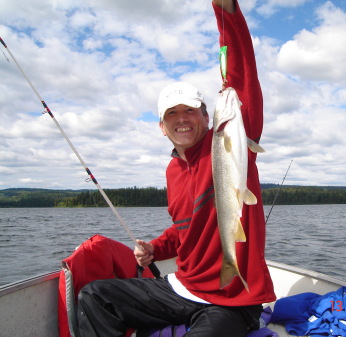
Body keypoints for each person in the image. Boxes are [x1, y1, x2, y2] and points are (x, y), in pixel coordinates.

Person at [76, 0, 276, 336]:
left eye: (190, 111)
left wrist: (225, 10)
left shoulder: (230, 139)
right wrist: (156, 247)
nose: (181, 119)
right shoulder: (172, 171)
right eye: (172, 114)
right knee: (95, 296)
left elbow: (243, 76)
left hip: (233, 297)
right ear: (162, 126)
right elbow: (185, 229)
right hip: (182, 287)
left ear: (204, 116)